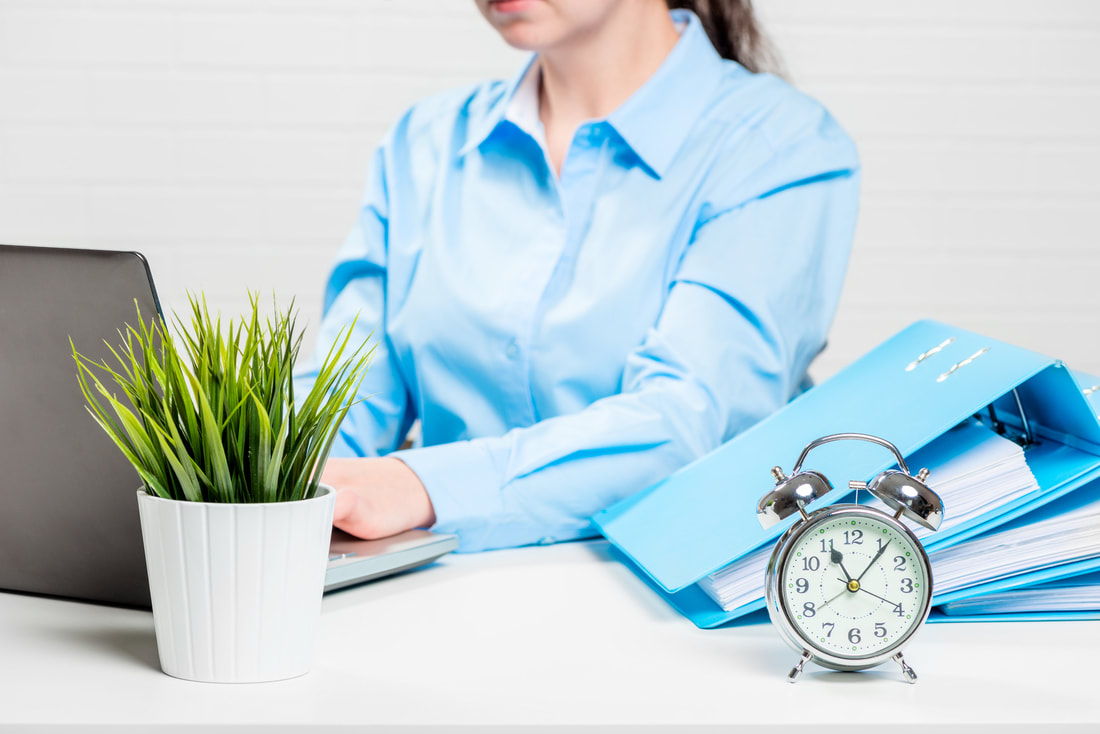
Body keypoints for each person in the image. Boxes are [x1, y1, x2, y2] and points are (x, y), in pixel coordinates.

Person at [293, 0, 860, 552]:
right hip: (437, 596)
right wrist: (261, 486)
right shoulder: (423, 144)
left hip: (661, 611)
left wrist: (421, 486)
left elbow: (689, 422)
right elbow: (343, 400)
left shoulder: (780, 146)